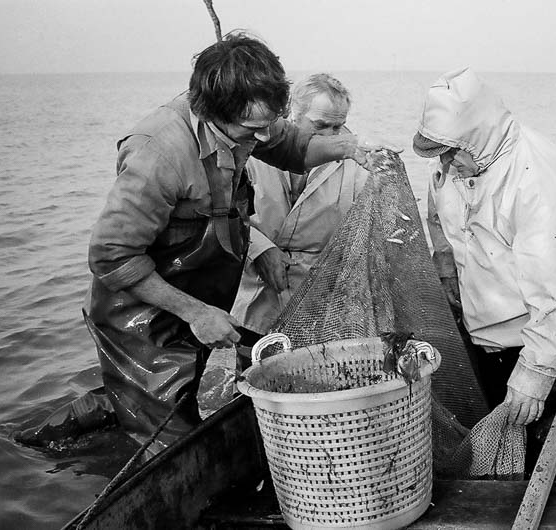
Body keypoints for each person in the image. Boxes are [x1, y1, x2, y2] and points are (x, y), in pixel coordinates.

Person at [85, 32, 390, 457]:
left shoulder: (253, 120)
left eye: (270, 124)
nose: (264, 139)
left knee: (193, 402)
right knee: (164, 438)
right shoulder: (159, 154)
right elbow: (110, 256)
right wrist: (194, 313)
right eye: (253, 131)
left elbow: (294, 145)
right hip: (140, 316)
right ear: (212, 112)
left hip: (200, 294)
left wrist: (350, 148)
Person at [412, 68, 556, 435]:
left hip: (554, 332)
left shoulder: (538, 180)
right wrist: (447, 282)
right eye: (440, 152)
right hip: (487, 332)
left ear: (477, 138)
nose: (444, 162)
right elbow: (438, 224)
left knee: (549, 435)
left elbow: (554, 296)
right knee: (493, 430)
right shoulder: (452, 165)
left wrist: (535, 374)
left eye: (451, 152)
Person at [231, 73, 368, 362]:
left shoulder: (356, 160)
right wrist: (260, 249)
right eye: (320, 126)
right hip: (256, 288)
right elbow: (228, 210)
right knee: (254, 374)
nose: (331, 136)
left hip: (320, 297)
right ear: (291, 114)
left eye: (338, 126)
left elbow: (365, 229)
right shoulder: (250, 147)